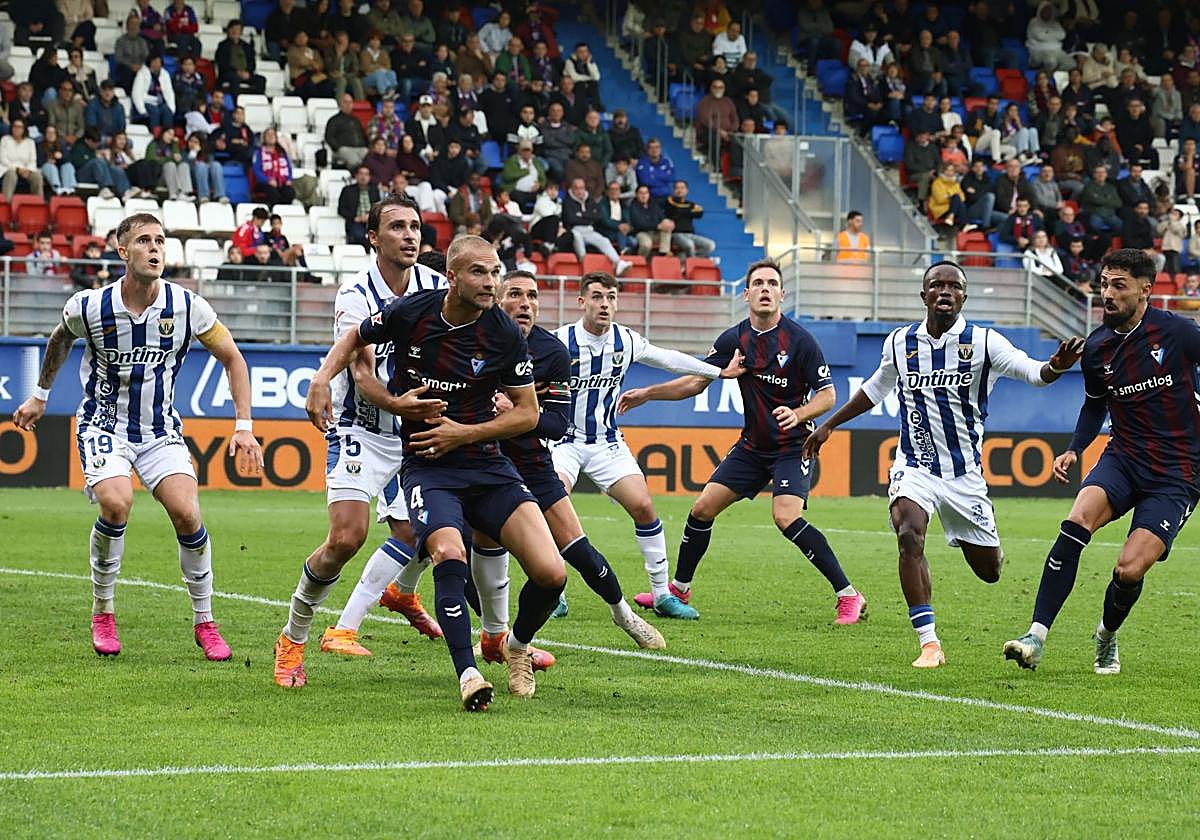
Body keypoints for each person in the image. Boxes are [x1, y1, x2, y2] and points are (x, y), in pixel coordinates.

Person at [304, 235, 568, 709]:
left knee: (551, 575)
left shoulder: (503, 333)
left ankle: (517, 646)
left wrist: (462, 434)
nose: (490, 283)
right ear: (452, 277)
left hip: (487, 464)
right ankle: (467, 673)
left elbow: (527, 414)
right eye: (478, 273)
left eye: (494, 272)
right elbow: (355, 337)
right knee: (448, 553)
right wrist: (322, 378)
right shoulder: (414, 313)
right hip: (429, 467)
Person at [11, 213, 264, 661]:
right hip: (103, 424)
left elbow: (234, 360)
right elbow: (58, 340)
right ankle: (103, 611)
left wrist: (243, 426)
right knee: (116, 502)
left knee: (187, 513)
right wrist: (40, 395)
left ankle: (205, 621)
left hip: (160, 429)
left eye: (160, 241)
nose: (155, 248)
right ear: (122, 251)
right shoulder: (89, 306)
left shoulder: (188, 306)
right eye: (144, 240)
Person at [805, 261, 1083, 666]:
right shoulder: (900, 343)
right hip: (914, 467)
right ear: (924, 295)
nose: (945, 291)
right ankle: (929, 643)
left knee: (989, 571)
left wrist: (1055, 366)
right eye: (937, 285)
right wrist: (828, 425)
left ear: (964, 297)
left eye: (955, 286)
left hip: (964, 477)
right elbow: (874, 389)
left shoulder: (984, 342)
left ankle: (988, 546)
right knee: (908, 533)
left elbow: (1033, 373)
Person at [615, 256, 867, 625]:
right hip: (752, 447)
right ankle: (679, 590)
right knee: (702, 509)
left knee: (785, 517)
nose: (765, 289)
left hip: (791, 446)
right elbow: (696, 380)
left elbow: (828, 395)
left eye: (772, 284)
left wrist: (799, 414)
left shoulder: (800, 341)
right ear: (746, 294)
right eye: (759, 284)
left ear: (783, 293)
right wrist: (648, 393)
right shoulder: (733, 339)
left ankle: (850, 596)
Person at [1003, 250, 1200, 675]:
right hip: (1124, 456)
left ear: (1146, 290)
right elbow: (1095, 406)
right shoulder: (1097, 347)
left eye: (1118, 286)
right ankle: (1035, 635)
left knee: (1128, 569)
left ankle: (1106, 636)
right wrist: (1075, 447)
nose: (1106, 294)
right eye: (1104, 284)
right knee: (1076, 522)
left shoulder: (1179, 334)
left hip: (1177, 473)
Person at [274, 196, 448, 674]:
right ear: (373, 237)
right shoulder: (356, 294)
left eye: (415, 226)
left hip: (414, 435)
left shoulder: (437, 285)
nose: (410, 235)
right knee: (347, 538)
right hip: (363, 429)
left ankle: (386, 608)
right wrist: (394, 403)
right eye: (397, 227)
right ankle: (293, 636)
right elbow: (365, 376)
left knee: (418, 531)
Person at [466, 271, 666, 656]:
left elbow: (558, 424)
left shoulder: (552, 351)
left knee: (577, 548)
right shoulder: (471, 339)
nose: (525, 304)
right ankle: (499, 638)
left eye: (533, 296)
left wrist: (518, 413)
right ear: (495, 298)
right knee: (459, 553)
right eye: (515, 294)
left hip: (532, 463)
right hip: (482, 463)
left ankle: (623, 614)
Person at [549, 271, 743, 619]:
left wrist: (717, 373)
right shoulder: (559, 342)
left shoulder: (626, 340)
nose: (604, 303)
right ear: (581, 302)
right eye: (596, 296)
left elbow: (668, 358)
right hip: (563, 442)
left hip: (606, 442)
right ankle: (553, 593)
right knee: (554, 510)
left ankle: (661, 596)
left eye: (610, 296)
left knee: (643, 507)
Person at [562, 177, 631, 276]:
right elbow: (570, 219)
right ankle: (584, 263)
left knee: (604, 240)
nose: (579, 191)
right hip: (574, 230)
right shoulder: (567, 201)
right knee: (577, 236)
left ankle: (619, 263)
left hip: (589, 230)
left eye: (581, 188)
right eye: (576, 188)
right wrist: (587, 216)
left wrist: (582, 215)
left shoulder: (589, 199)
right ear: (572, 188)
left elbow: (597, 216)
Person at [664, 179, 715, 259]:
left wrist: (683, 211)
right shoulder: (669, 202)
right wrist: (689, 211)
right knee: (689, 245)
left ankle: (691, 261)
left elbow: (699, 214)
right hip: (676, 234)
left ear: (687, 191)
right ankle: (691, 264)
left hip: (690, 234)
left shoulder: (690, 204)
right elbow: (676, 212)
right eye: (677, 188)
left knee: (710, 245)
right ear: (674, 190)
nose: (680, 190)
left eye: (682, 188)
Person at [216, 19, 266, 95]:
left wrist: (248, 72)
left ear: (241, 32)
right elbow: (222, 64)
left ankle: (254, 100)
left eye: (237, 29)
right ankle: (235, 103)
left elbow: (252, 63)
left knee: (261, 80)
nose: (235, 32)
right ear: (228, 30)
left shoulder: (247, 47)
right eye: (233, 29)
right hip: (229, 73)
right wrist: (237, 72)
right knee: (234, 79)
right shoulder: (223, 46)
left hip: (245, 73)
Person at [0, 118, 44, 201]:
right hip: (8, 168)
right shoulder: (5, 140)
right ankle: (6, 203)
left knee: (37, 176)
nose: (16, 129)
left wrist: (27, 170)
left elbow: (32, 160)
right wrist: (17, 169)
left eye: (19, 127)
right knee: (11, 175)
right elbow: (3, 159)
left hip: (26, 170)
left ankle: (38, 203)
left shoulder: (30, 142)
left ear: (24, 129)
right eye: (15, 126)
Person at [253, 127, 296, 206]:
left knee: (289, 192)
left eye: (273, 134)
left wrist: (289, 179)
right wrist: (268, 180)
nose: (271, 136)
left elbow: (289, 168)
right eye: (268, 134)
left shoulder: (282, 152)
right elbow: (256, 170)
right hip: (265, 183)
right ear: (264, 138)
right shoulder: (259, 152)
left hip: (281, 182)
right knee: (273, 193)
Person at [339, 165, 381, 246]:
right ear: (356, 176)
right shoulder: (348, 190)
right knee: (359, 235)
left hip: (371, 222)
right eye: (361, 173)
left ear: (369, 177)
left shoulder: (374, 190)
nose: (363, 177)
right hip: (355, 222)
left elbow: (378, 208)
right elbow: (341, 209)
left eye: (366, 174)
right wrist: (356, 218)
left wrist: (370, 216)